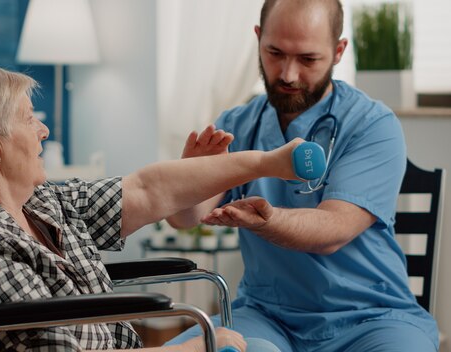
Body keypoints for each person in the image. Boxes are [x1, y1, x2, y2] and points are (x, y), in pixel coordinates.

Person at [0, 64, 311, 352]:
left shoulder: (41, 203)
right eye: (28, 119)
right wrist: (196, 348)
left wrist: (271, 162)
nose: (43, 130)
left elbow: (147, 189)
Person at [165, 0, 439, 351]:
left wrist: (269, 220)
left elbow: (333, 231)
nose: (288, 74)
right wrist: (187, 180)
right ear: (258, 38)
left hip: (371, 318)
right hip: (266, 315)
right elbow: (185, 219)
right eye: (275, 53)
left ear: (338, 51)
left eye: (308, 59)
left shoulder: (372, 125)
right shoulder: (236, 125)